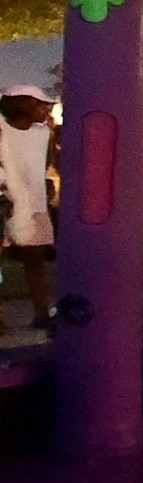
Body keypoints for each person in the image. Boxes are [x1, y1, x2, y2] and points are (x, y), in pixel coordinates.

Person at [1, 86, 57, 330]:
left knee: (35, 260)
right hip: (5, 203)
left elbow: (45, 163)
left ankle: (42, 314)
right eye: (40, 104)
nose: (46, 110)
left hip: (34, 204)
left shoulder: (44, 133)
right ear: (23, 105)